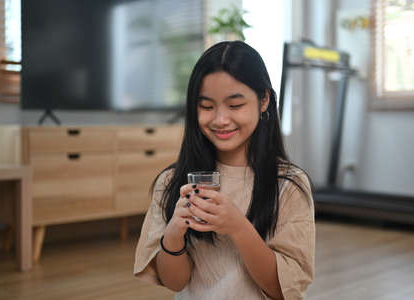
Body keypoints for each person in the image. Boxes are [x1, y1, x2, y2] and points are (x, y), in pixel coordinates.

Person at [134, 41, 315, 300]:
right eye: (206, 106)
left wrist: (238, 227)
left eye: (234, 105)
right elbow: (174, 283)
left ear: (263, 100)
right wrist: (173, 234)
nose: (219, 119)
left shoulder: (288, 185)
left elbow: (283, 289)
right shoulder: (172, 182)